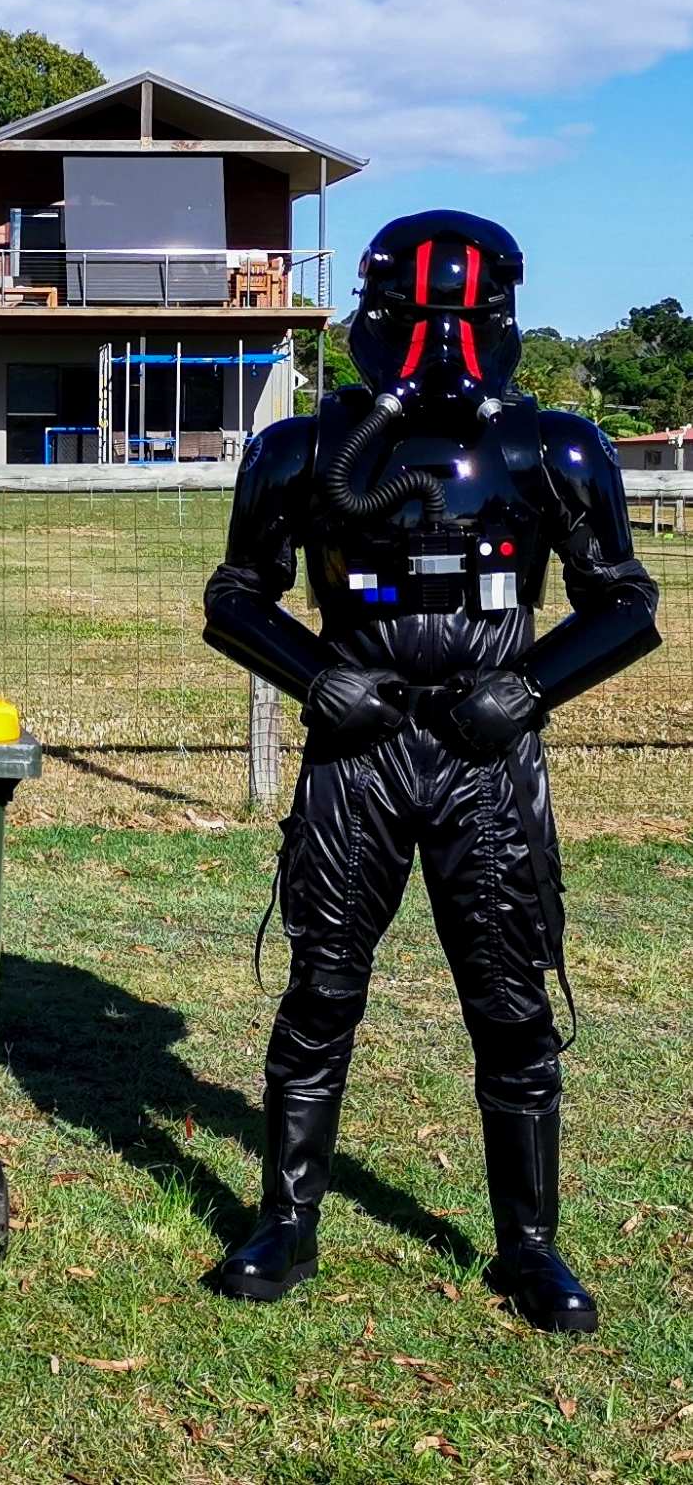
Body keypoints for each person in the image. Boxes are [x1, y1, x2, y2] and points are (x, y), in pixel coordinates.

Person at [203, 211, 660, 1333]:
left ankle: (529, 1244)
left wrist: (534, 685)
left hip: (486, 755)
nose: (437, 345)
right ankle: (286, 1219)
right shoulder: (303, 448)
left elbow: (624, 600)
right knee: (319, 987)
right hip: (358, 749)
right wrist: (313, 674)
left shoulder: (551, 447)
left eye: (457, 319)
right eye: (416, 318)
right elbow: (233, 594)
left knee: (508, 1000)